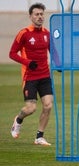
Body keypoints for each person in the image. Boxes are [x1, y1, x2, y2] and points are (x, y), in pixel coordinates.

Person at [9, 3, 53, 146]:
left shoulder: (47, 33)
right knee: (31, 108)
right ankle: (18, 120)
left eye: (42, 14)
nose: (40, 17)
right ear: (30, 16)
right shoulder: (24, 33)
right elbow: (12, 54)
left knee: (48, 106)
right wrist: (27, 62)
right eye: (37, 14)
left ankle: (39, 137)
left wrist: (59, 65)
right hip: (30, 77)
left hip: (45, 76)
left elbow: (54, 52)